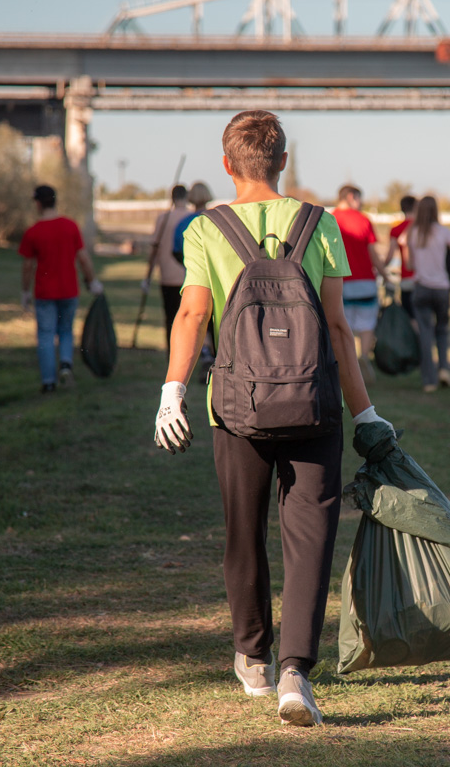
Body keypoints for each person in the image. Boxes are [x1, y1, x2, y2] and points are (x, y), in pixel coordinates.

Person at [151, 110, 393, 727]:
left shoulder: (205, 229)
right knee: (310, 537)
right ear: (283, 161)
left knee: (244, 530)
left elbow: (191, 316)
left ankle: (253, 656)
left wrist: (172, 392)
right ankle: (295, 674)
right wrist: (365, 412)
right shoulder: (320, 223)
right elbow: (336, 327)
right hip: (316, 404)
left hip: (236, 408)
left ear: (226, 165)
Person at [18, 184, 102, 393]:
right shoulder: (70, 226)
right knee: (65, 330)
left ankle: (48, 381)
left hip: (44, 293)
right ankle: (65, 364)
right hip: (69, 290)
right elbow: (83, 259)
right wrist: (92, 281)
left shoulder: (33, 232)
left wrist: (25, 291)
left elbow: (27, 266)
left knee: (46, 335)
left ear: (38, 203)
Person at [405, 195, 450, 393]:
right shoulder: (444, 232)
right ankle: (444, 369)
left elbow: (409, 264)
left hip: (421, 286)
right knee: (442, 330)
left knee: (425, 334)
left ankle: (429, 380)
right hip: (441, 288)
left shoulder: (412, 232)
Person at [332, 185, 384, 383]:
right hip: (365, 280)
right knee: (367, 323)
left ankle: (348, 362)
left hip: (340, 281)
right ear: (352, 197)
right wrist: (386, 275)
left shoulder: (329, 219)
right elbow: (373, 254)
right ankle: (364, 358)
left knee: (344, 324)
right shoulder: (363, 220)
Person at [171, 181, 215, 376]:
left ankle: (204, 354)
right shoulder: (217, 220)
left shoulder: (184, 223)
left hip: (194, 278)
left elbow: (175, 251)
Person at [141, 183, 190, 339]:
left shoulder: (163, 219)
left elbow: (154, 250)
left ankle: (171, 349)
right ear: (186, 197)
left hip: (167, 276)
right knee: (188, 320)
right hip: (189, 277)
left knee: (171, 319)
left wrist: (147, 277)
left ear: (172, 198)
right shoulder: (192, 217)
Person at [382, 194, 418, 321]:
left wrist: (381, 268)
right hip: (424, 277)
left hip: (407, 277)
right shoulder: (423, 228)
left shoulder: (396, 229)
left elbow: (390, 255)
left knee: (409, 317)